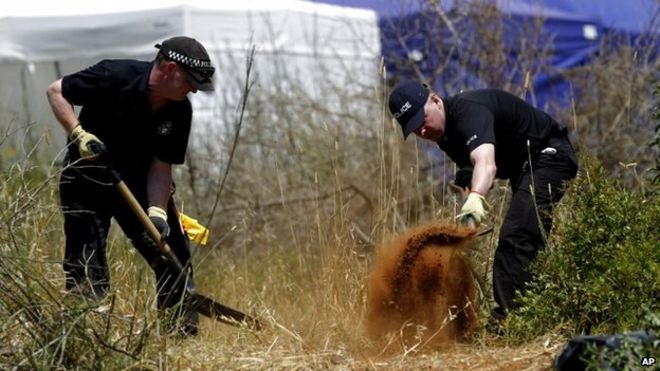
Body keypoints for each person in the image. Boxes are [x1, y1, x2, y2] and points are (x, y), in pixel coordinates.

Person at [46, 36, 215, 337]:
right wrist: (78, 133)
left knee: (172, 250)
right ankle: (87, 333)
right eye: (189, 81)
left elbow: (161, 168)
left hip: (137, 183)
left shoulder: (180, 111)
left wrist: (158, 213)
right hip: (87, 178)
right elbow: (56, 91)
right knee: (86, 259)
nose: (192, 90)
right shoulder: (114, 75)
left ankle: (179, 336)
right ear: (170, 68)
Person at [388, 80, 578, 329]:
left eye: (422, 120)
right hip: (526, 169)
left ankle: (511, 321)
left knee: (517, 235)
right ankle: (537, 308)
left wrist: (476, 197)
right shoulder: (444, 135)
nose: (422, 131)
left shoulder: (469, 111)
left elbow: (486, 164)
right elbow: (470, 169)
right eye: (414, 129)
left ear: (435, 101)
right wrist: (468, 221)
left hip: (550, 155)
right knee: (526, 235)